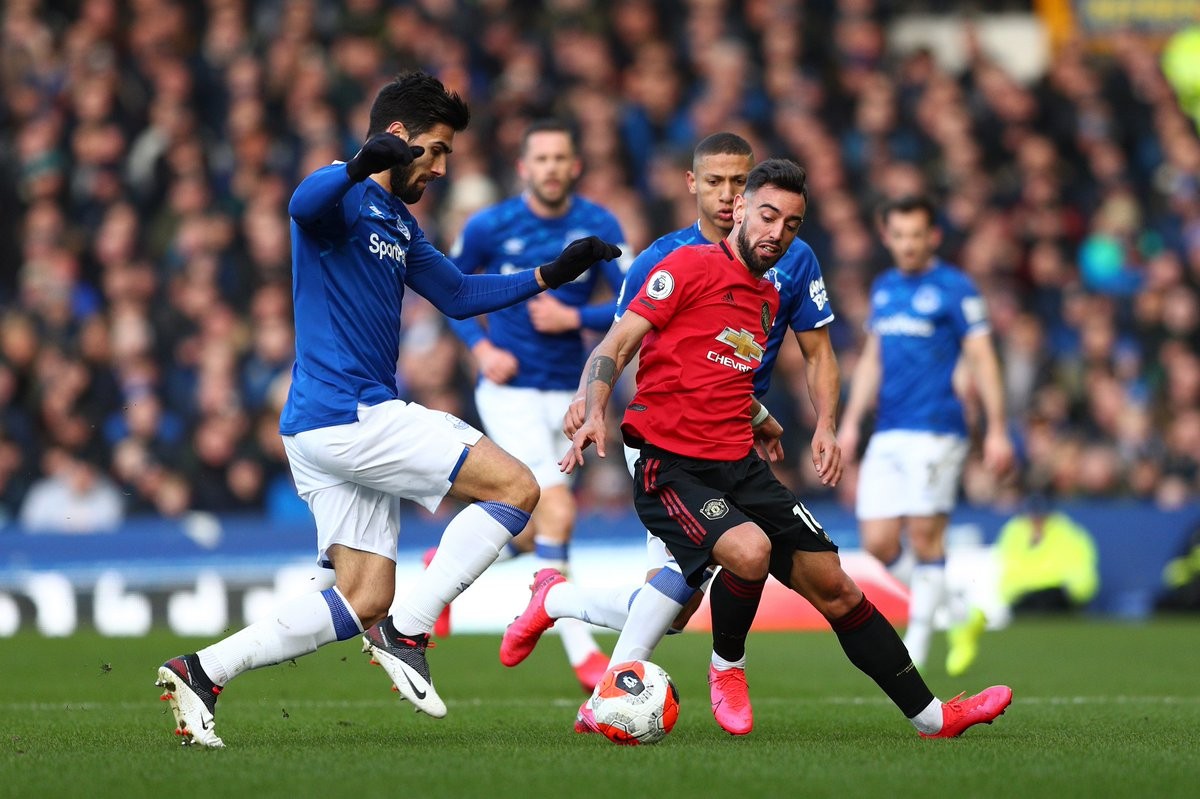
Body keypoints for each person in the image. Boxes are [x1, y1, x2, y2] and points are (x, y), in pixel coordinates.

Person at [153, 71, 621, 748]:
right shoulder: (339, 198)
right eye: (433, 150)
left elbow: (459, 293)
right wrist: (357, 164)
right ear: (397, 140)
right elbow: (303, 203)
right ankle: (411, 627)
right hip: (351, 415)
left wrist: (549, 274)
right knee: (519, 486)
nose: (439, 166)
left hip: (323, 430)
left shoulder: (399, 220)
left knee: (363, 595)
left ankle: (201, 671)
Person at [560, 159, 1012, 740]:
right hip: (668, 464)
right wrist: (595, 408)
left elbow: (719, 371)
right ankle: (727, 668)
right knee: (746, 553)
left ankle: (933, 717)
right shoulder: (683, 266)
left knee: (837, 584)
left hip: (737, 463)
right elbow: (617, 343)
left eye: (792, 225)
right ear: (741, 209)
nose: (777, 233)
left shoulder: (769, 297)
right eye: (768, 216)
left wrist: (765, 418)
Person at [498, 132, 842, 735]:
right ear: (693, 185)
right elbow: (627, 343)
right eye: (716, 182)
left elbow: (807, 351)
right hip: (672, 442)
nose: (730, 195)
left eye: (741, 182)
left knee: (677, 606)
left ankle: (554, 600)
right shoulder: (667, 256)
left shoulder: (791, 256)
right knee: (680, 583)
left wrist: (788, 420)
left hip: (738, 441)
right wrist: (592, 406)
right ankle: (609, 697)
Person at [445, 119, 629, 691]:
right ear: (524, 168)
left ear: (575, 166)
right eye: (540, 159)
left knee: (538, 522)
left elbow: (634, 304)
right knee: (556, 511)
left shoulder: (599, 225)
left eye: (560, 158)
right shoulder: (490, 225)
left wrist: (576, 318)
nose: (551, 167)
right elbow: (448, 288)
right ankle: (583, 656)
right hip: (512, 390)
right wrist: (480, 349)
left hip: (572, 392)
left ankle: (443, 574)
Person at [837, 194, 1015, 677]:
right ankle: (958, 611)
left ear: (933, 237)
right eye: (899, 235)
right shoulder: (885, 288)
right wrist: (851, 422)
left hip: (938, 428)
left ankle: (915, 645)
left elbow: (982, 358)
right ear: (886, 236)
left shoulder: (955, 289)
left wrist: (997, 429)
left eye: (917, 235)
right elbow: (873, 358)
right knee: (877, 541)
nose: (908, 244)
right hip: (889, 429)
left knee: (924, 534)